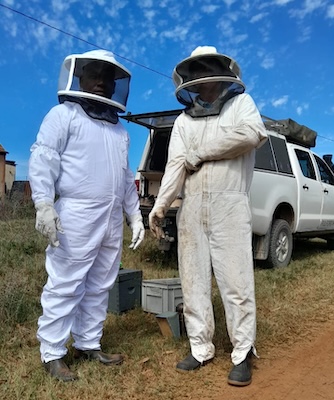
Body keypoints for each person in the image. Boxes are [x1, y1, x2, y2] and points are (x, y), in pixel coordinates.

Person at [149, 46, 267, 386]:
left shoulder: (241, 106)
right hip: (192, 208)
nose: (200, 81)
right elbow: (175, 165)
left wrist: (200, 152)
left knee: (236, 282)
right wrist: (159, 206)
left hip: (230, 205)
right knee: (193, 282)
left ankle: (242, 352)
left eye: (205, 72)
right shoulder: (185, 120)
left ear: (219, 72)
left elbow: (252, 134)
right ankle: (200, 348)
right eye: (194, 74)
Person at [28, 49, 145, 382]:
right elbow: (43, 158)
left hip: (109, 219)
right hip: (76, 215)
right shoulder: (63, 116)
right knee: (65, 284)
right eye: (94, 75)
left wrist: (134, 216)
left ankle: (88, 343)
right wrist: (44, 204)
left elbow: (125, 178)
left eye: (106, 78)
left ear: (113, 85)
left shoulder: (119, 131)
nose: (100, 82)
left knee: (100, 285)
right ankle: (52, 353)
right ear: (79, 78)